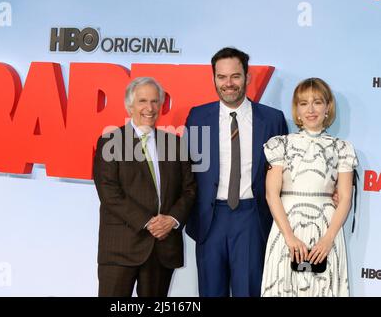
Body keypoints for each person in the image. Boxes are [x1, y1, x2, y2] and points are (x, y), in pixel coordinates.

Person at [185, 47, 288, 297]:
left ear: (247, 77)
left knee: (249, 292)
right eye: (221, 77)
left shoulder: (273, 119)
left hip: (252, 217)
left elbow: (287, 171)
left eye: (235, 76)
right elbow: (186, 169)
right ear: (213, 79)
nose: (228, 84)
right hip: (210, 219)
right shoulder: (198, 117)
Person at [93, 77, 196, 297]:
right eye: (142, 101)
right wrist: (148, 222)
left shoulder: (174, 144)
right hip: (121, 247)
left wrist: (172, 220)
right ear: (129, 106)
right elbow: (109, 193)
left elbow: (189, 190)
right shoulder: (110, 141)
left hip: (162, 248)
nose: (149, 108)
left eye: (154, 101)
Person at [261, 77, 358, 296]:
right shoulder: (280, 144)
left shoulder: (342, 148)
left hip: (326, 229)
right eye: (304, 103)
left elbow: (344, 198)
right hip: (286, 228)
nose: (311, 109)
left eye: (317, 102)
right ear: (296, 109)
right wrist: (289, 237)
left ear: (328, 107)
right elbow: (271, 194)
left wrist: (328, 239)